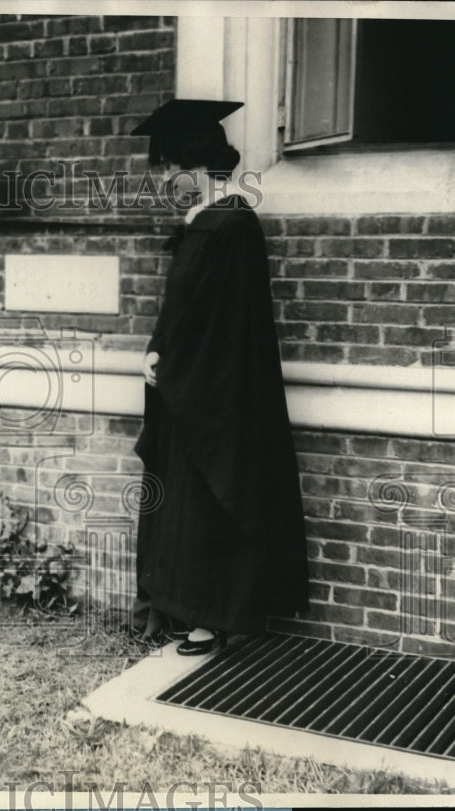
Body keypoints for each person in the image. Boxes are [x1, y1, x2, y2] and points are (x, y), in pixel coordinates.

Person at [130, 99, 309, 654]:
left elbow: (225, 329)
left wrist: (172, 364)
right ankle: (184, 608)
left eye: (170, 169)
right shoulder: (201, 225)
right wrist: (157, 353)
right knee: (185, 502)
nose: (165, 181)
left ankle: (213, 617)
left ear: (197, 167)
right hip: (186, 392)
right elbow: (179, 313)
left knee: (211, 502)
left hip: (216, 398)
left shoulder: (231, 228)